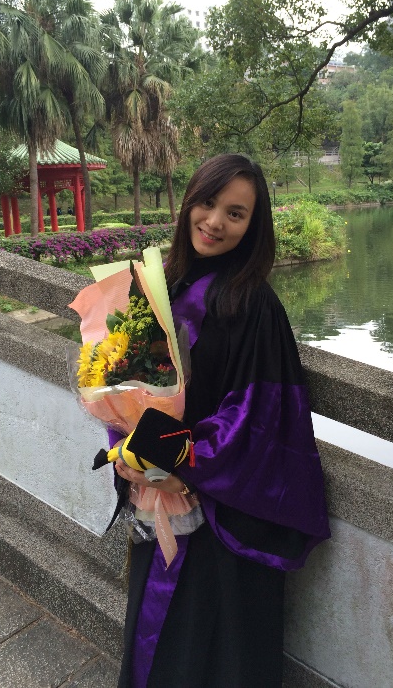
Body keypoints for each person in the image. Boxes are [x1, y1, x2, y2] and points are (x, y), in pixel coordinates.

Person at [114, 154, 331, 688]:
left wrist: (182, 464)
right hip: (156, 490)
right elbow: (121, 380)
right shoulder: (158, 283)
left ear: (253, 226)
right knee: (153, 640)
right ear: (189, 202)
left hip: (218, 513)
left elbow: (258, 415)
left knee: (210, 653)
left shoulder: (253, 303)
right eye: (208, 204)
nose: (214, 222)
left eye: (236, 214)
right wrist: (129, 450)